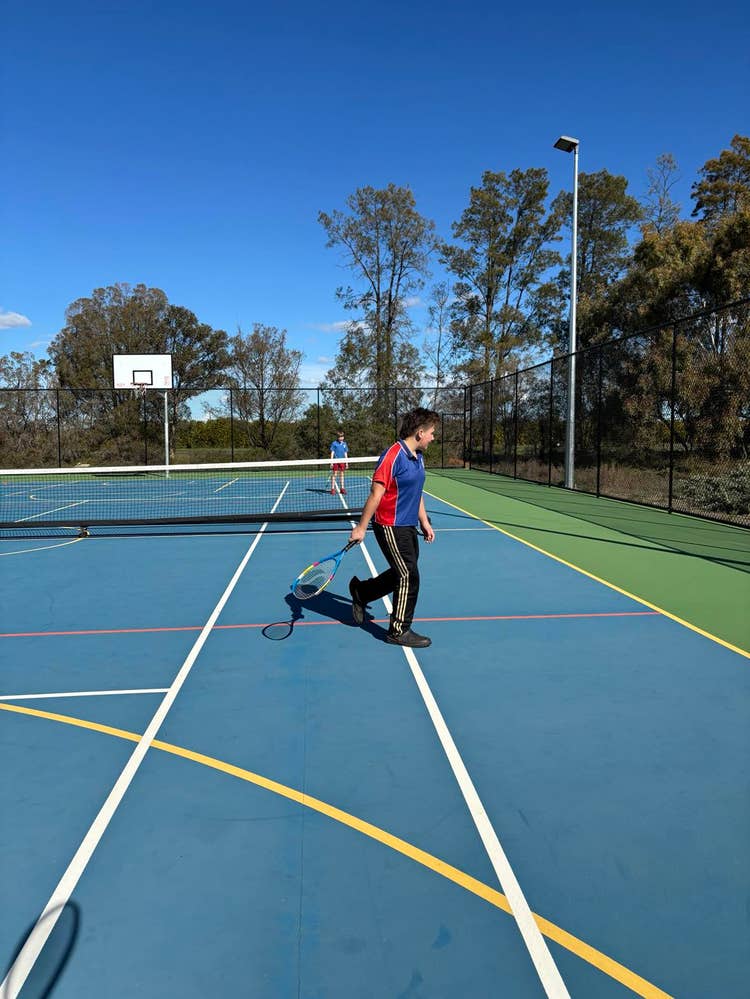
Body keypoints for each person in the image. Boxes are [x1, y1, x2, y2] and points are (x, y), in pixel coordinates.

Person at [348, 408, 439, 648]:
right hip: (389, 524)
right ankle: (399, 630)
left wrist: (424, 521)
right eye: (431, 432)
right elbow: (375, 494)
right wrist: (361, 527)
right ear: (420, 432)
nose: (433, 437)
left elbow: (417, 491)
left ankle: (362, 592)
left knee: (403, 571)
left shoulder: (418, 456)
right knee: (409, 575)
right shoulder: (392, 456)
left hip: (408, 525)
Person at [329, 429, 348, 495]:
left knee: (342, 474)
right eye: (340, 437)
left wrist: (347, 462)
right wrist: (331, 462)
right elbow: (332, 452)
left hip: (342, 461)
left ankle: (342, 488)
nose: (341, 438)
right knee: (334, 474)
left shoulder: (344, 444)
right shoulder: (334, 443)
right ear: (337, 437)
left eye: (342, 436)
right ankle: (332, 489)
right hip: (335, 461)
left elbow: (345, 453)